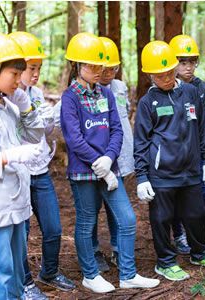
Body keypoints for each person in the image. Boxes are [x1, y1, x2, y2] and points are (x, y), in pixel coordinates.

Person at [60, 32, 159, 293]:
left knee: (126, 219)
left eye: (99, 65)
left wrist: (109, 158)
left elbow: (116, 129)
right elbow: (73, 137)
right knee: (86, 222)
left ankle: (128, 274)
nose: (97, 70)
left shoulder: (106, 93)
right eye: (91, 65)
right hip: (84, 173)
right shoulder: (70, 98)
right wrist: (97, 162)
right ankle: (90, 275)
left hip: (110, 169)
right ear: (77, 66)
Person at [134, 40, 205, 282]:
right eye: (158, 75)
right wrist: (142, 177)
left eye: (167, 73)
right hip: (162, 173)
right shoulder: (147, 102)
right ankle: (165, 262)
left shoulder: (190, 92)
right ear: (150, 75)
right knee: (162, 219)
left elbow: (201, 128)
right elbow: (141, 141)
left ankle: (199, 252)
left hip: (191, 169)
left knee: (196, 214)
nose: (164, 78)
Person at [9, 31, 76, 298]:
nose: (35, 74)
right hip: (19, 175)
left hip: (41, 172)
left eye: (39, 68)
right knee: (21, 235)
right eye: (30, 68)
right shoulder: (8, 98)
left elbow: (43, 134)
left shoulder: (36, 93)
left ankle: (49, 271)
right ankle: (24, 283)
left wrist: (50, 122)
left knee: (53, 228)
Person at [0, 32, 45, 300]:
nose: (19, 80)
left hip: (16, 203)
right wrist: (7, 157)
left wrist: (26, 107)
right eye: (14, 74)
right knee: (2, 271)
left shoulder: (8, 106)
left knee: (16, 271)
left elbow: (35, 136)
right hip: (0, 207)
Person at [90, 36, 135, 272]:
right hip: (96, 159)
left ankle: (118, 249)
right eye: (105, 68)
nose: (109, 73)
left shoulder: (119, 87)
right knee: (93, 207)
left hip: (120, 155)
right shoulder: (90, 90)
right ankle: (94, 250)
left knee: (116, 207)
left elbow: (124, 119)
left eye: (114, 68)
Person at [169, 34, 205, 255]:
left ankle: (195, 236)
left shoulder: (202, 88)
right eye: (183, 62)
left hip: (196, 151)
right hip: (171, 154)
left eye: (192, 62)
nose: (188, 67)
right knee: (174, 196)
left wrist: (190, 123)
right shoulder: (164, 87)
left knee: (198, 197)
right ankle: (178, 234)